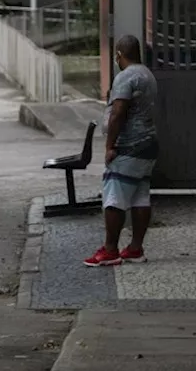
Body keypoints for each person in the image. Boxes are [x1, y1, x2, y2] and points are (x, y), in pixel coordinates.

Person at [85, 34, 159, 267]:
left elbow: (118, 113)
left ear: (119, 54)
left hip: (128, 146)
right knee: (140, 196)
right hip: (149, 144)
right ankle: (135, 248)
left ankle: (110, 250)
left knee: (114, 197)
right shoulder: (148, 75)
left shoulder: (125, 77)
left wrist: (110, 146)